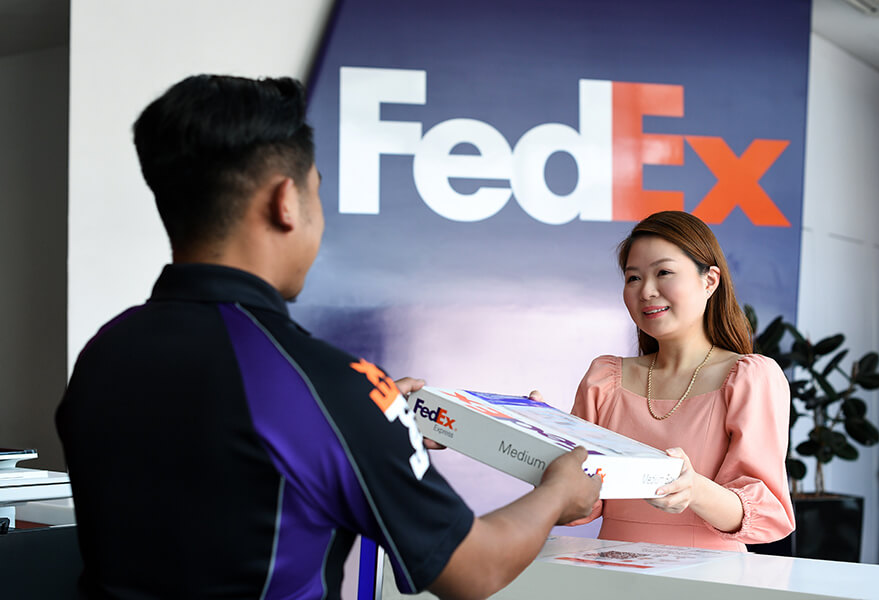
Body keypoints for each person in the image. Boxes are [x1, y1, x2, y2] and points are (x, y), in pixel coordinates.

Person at [56, 74, 600, 599]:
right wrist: (558, 492)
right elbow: (475, 569)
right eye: (317, 194)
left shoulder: (105, 352)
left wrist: (370, 428)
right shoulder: (331, 389)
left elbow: (224, 460)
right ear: (285, 201)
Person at [550, 210, 795, 551]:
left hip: (708, 580)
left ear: (710, 281)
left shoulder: (749, 379)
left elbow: (766, 516)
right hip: (611, 577)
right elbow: (574, 508)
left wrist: (694, 489)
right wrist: (546, 438)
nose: (646, 291)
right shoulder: (604, 380)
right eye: (633, 278)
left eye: (663, 272)